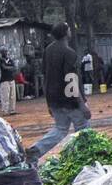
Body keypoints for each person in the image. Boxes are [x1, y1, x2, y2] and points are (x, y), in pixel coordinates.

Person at [28, 22, 92, 162]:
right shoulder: (69, 53)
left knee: (60, 129)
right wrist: (81, 104)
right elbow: (71, 80)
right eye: (69, 29)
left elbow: (46, 77)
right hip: (70, 100)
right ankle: (85, 159)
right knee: (83, 129)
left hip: (54, 98)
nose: (70, 30)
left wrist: (49, 103)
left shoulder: (48, 51)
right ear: (65, 33)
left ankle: (37, 149)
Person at [0, 47, 18, 115]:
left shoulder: (10, 59)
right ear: (1, 53)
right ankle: (5, 111)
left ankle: (12, 110)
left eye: (5, 51)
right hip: (4, 80)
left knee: (12, 96)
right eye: (3, 52)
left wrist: (9, 67)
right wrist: (10, 67)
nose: (5, 53)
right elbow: (4, 68)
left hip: (11, 79)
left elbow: (15, 68)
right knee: (5, 96)